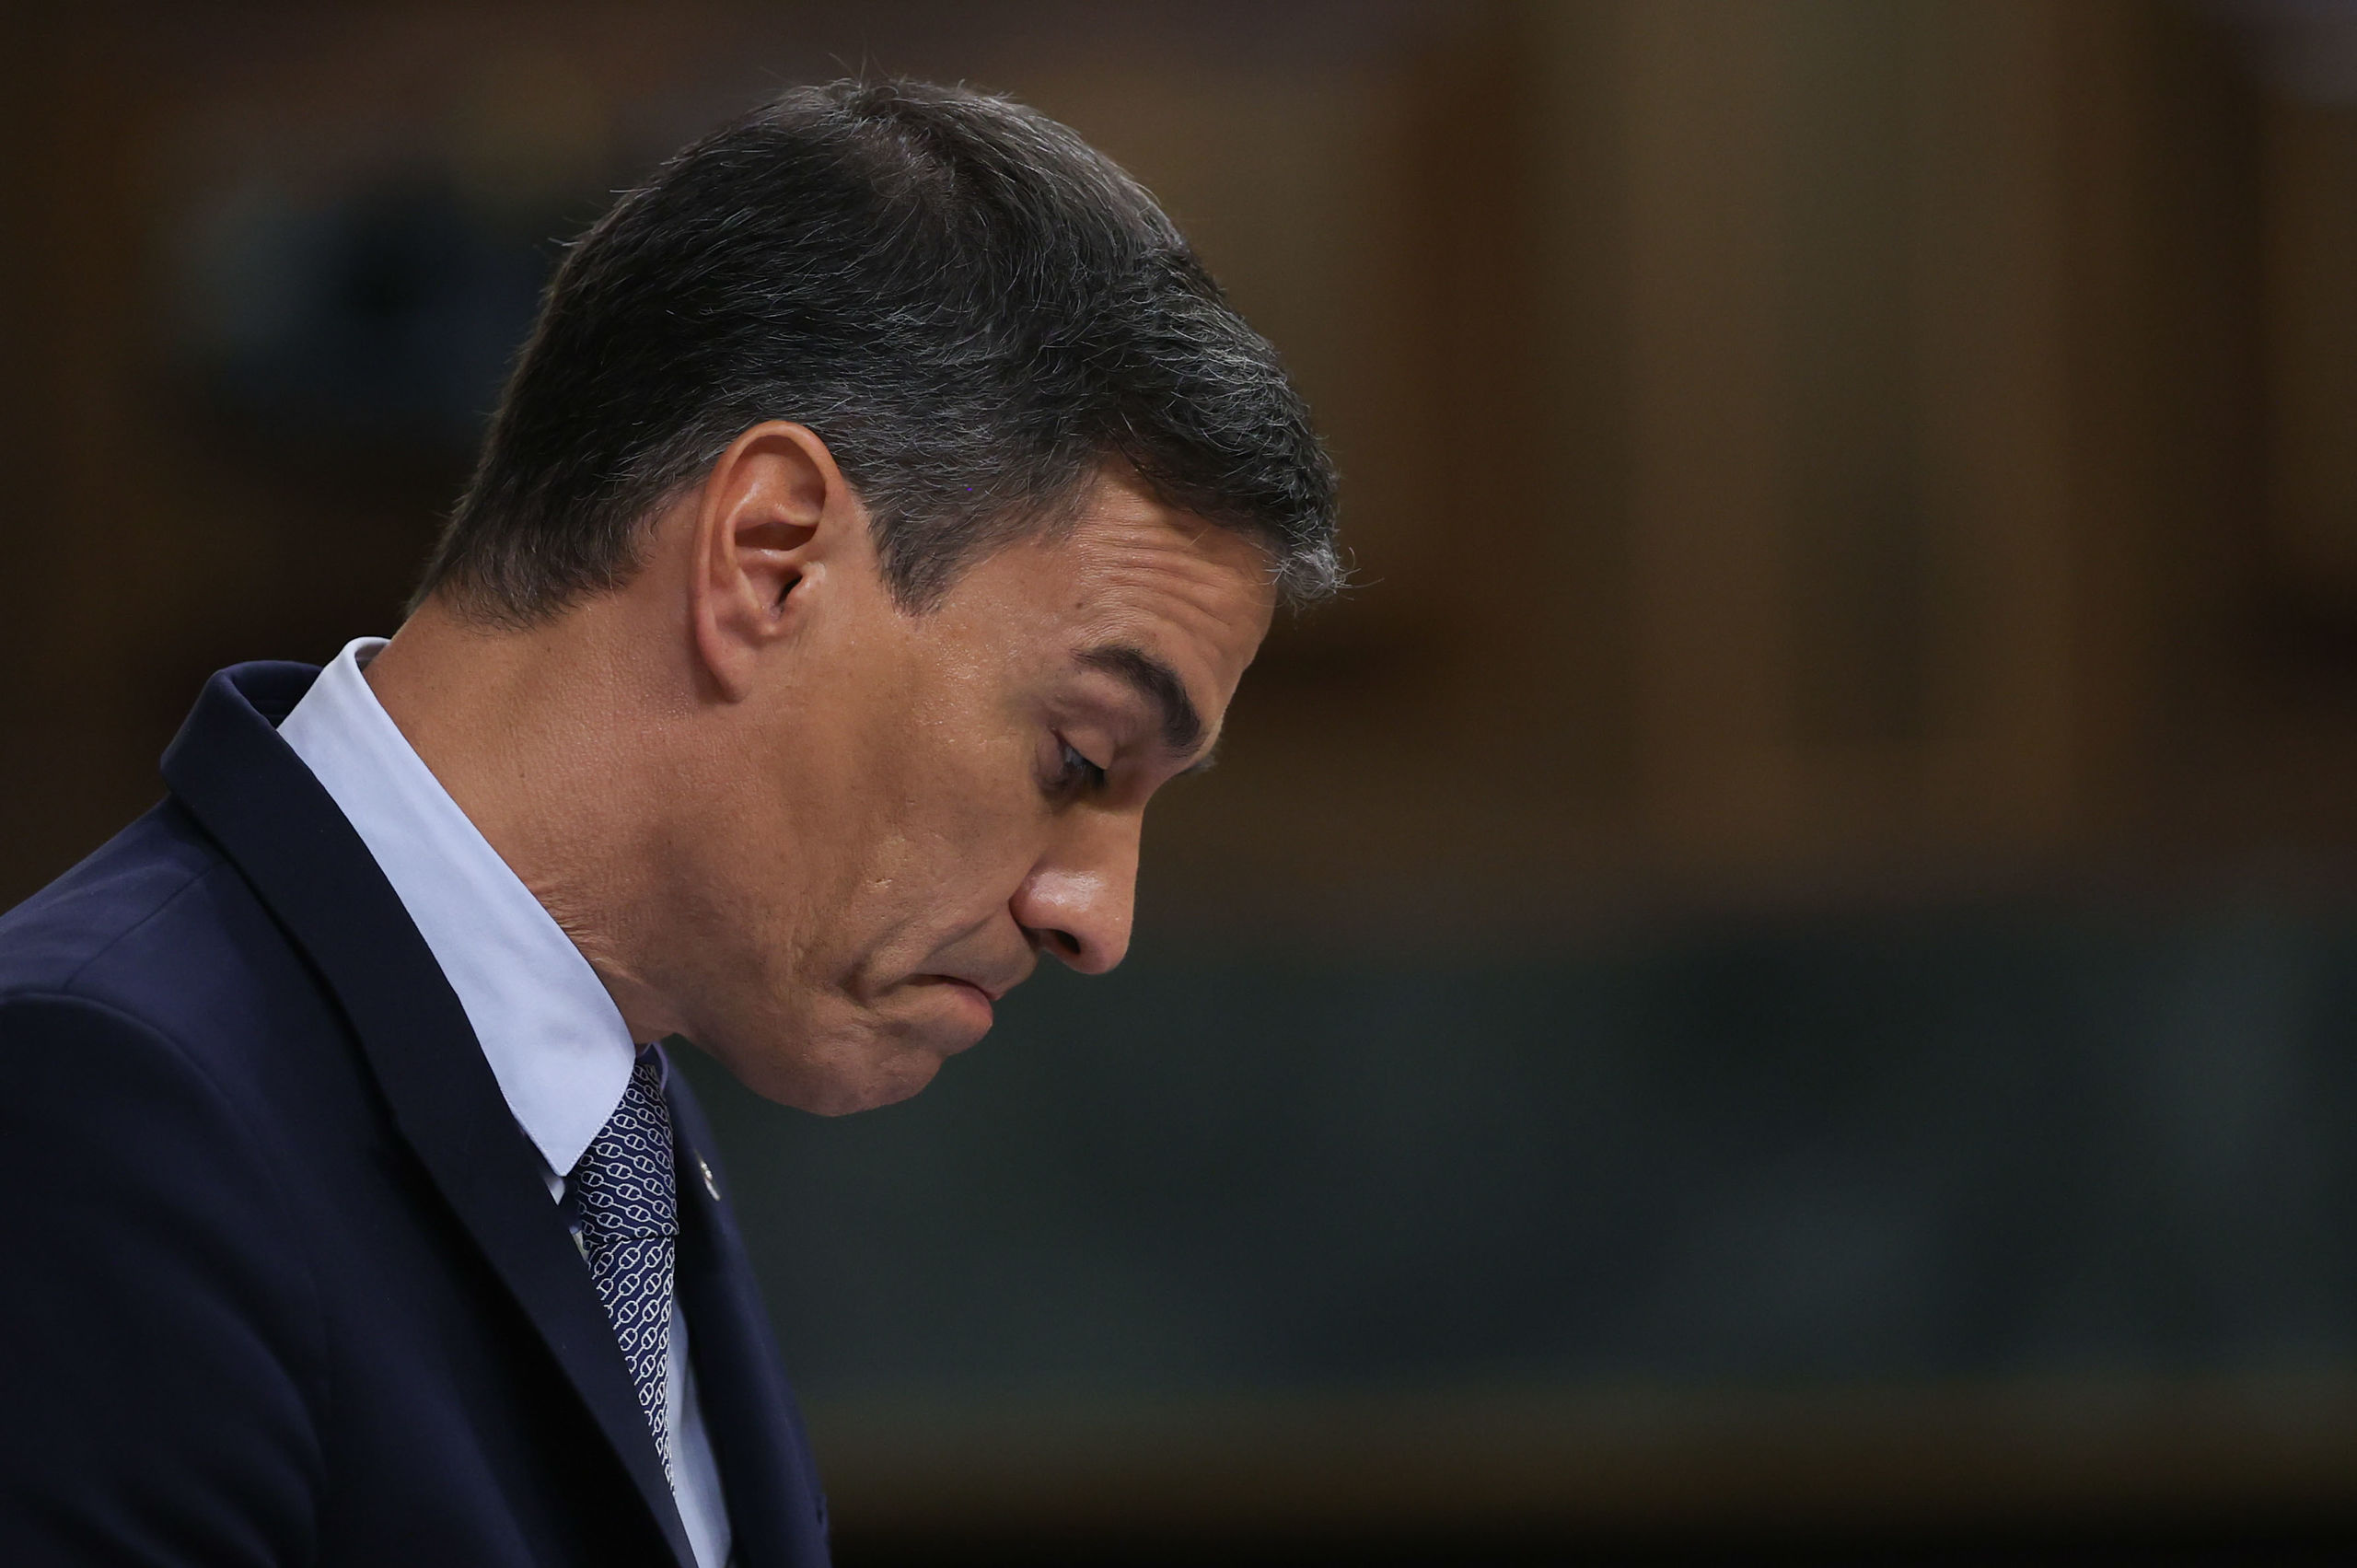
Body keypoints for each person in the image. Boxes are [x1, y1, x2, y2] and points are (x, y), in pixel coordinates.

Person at [0, 78, 1337, 1567]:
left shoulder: (615, 1129)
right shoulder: (92, 1105)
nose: (1097, 915)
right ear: (771, 557)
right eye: (1079, 756)